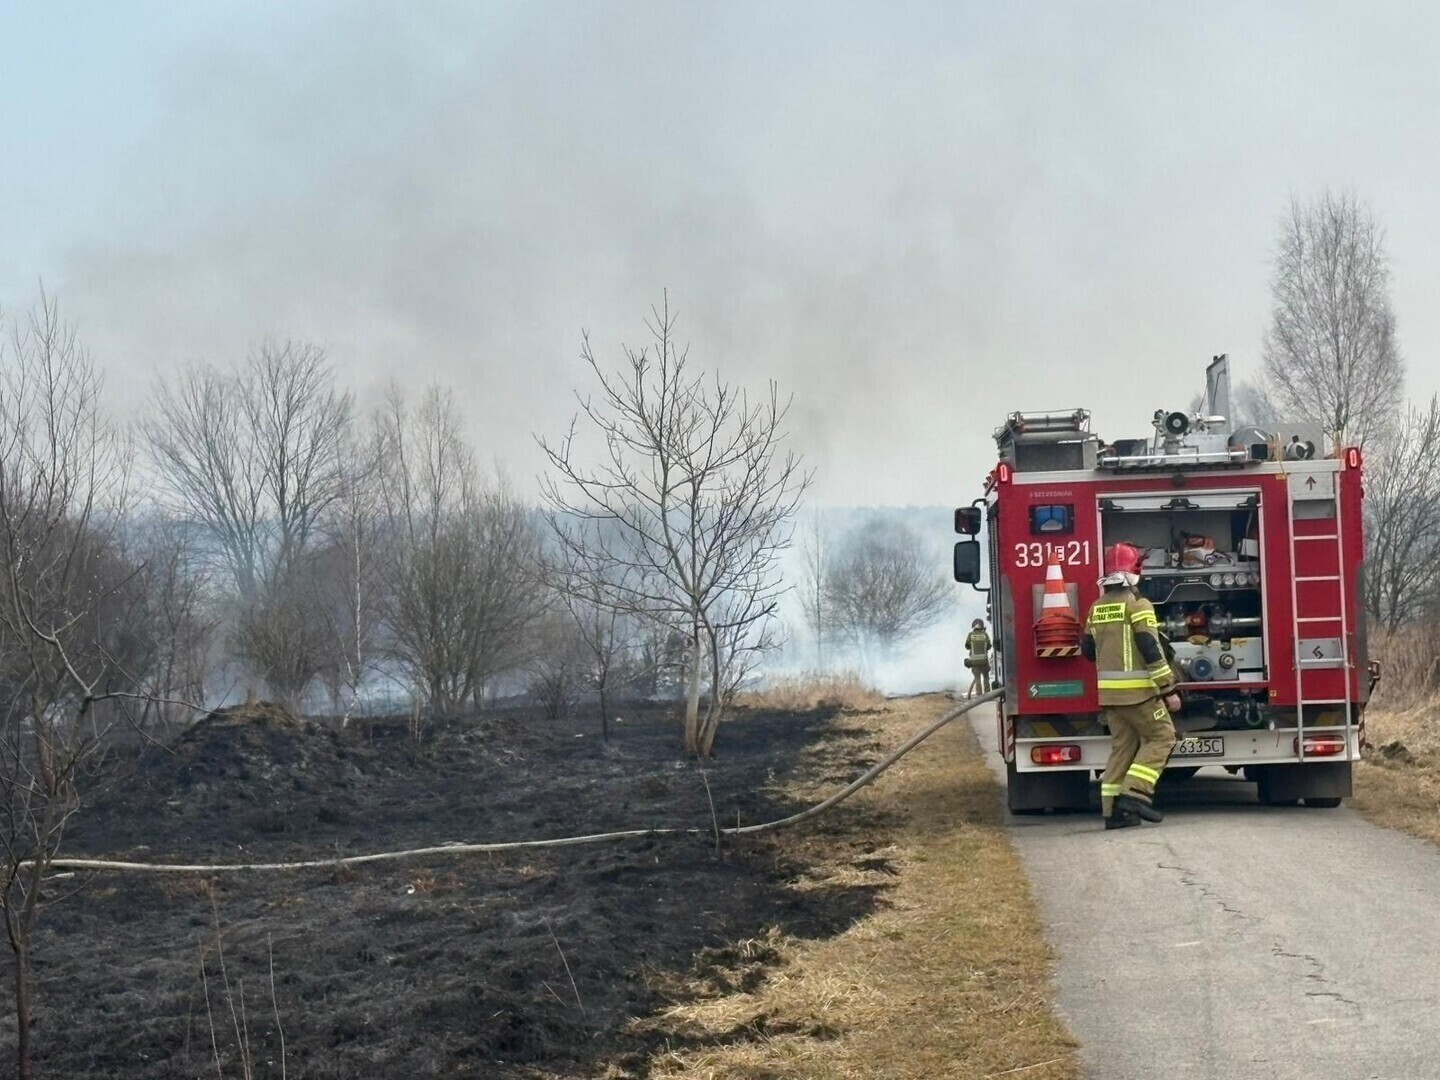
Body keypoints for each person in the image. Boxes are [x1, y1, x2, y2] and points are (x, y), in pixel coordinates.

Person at [1080, 542, 1180, 830]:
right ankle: (1135, 795)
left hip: (1110, 698)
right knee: (1163, 738)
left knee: (1121, 749)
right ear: (1136, 570)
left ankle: (1113, 813)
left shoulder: (1096, 608)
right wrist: (1168, 689)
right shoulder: (1139, 605)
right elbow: (1150, 647)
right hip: (1140, 695)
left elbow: (1088, 650)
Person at [964, 618, 992, 698]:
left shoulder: (970, 635)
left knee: (977, 677)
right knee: (986, 677)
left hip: (974, 662)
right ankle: (988, 694)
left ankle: (979, 694)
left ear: (973, 626)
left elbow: (967, 646)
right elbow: (989, 646)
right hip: (984, 661)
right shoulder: (985, 635)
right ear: (982, 626)